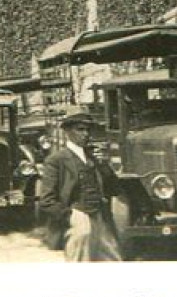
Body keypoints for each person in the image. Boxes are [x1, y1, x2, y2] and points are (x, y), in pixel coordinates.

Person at [37, 111, 124, 262]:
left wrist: (104, 166)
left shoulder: (94, 158)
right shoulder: (56, 160)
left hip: (100, 219)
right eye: (80, 129)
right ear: (68, 132)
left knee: (114, 261)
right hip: (78, 221)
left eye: (88, 130)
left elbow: (115, 190)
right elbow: (46, 201)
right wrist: (71, 216)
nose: (86, 134)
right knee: (80, 262)